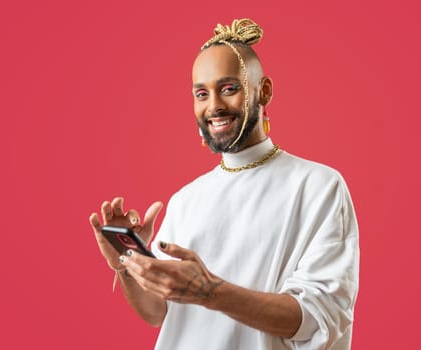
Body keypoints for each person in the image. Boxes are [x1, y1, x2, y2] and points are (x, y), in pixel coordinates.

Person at [89, 18, 359, 350]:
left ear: (264, 91)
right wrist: (127, 263)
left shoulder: (318, 187)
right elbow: (158, 312)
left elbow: (320, 319)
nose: (213, 105)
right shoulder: (186, 200)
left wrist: (209, 292)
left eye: (229, 88)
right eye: (201, 93)